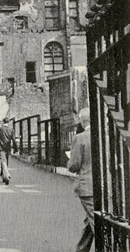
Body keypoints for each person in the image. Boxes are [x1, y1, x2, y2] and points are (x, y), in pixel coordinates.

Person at [68, 108, 94, 252]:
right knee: (90, 219)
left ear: (83, 121)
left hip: (87, 186)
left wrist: (69, 163)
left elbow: (74, 165)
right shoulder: (104, 135)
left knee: (95, 220)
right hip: (105, 184)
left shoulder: (80, 138)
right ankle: (82, 249)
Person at [0, 117, 18, 185]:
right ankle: (3, 175)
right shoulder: (11, 129)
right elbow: (13, 139)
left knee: (3, 161)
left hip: (0, 147)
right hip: (7, 147)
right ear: (8, 122)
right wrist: (16, 149)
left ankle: (6, 175)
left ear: (3, 122)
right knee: (5, 161)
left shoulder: (0, 129)